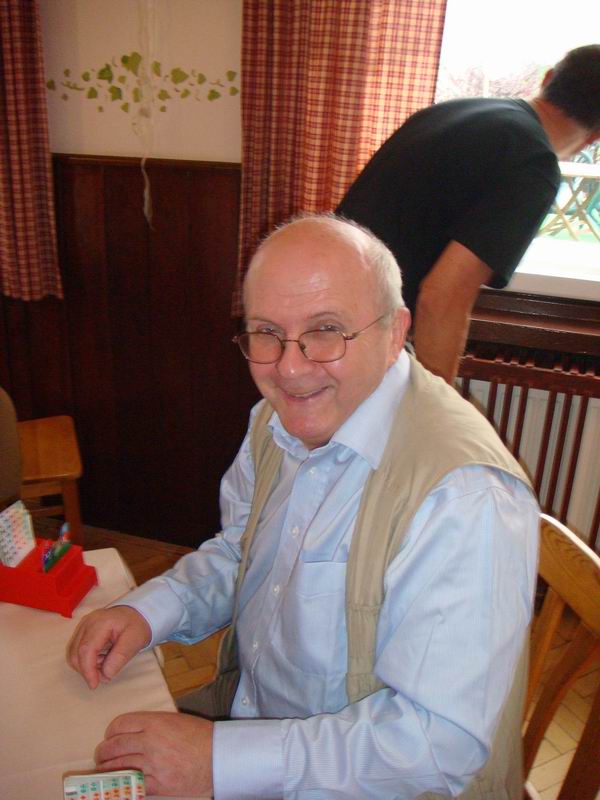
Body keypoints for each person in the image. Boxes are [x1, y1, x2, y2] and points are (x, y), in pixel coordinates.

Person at [67, 215, 539, 799]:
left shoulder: (464, 497)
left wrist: (219, 761)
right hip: (250, 721)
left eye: (326, 330)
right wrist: (150, 611)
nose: (289, 368)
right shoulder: (277, 419)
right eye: (266, 332)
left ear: (395, 332)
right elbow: (243, 552)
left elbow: (437, 743)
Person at [336, 44, 600, 384]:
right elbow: (443, 296)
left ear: (547, 80)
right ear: (594, 137)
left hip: (321, 311)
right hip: (359, 338)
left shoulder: (454, 111)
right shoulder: (534, 164)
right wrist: (437, 403)